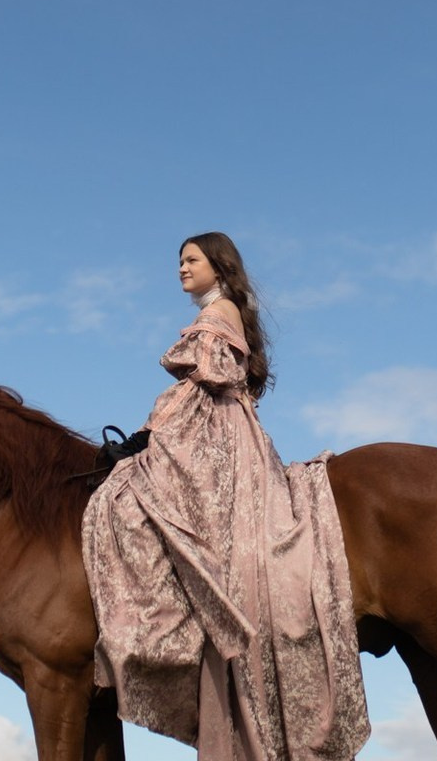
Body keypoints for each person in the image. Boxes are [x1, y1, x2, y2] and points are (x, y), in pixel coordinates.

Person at [82, 233, 369, 761]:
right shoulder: (222, 312)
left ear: (220, 265)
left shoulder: (219, 314)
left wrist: (150, 436)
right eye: (179, 262)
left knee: (124, 499)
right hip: (219, 430)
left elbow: (206, 380)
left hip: (220, 438)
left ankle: (163, 615)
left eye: (191, 260)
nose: (181, 269)